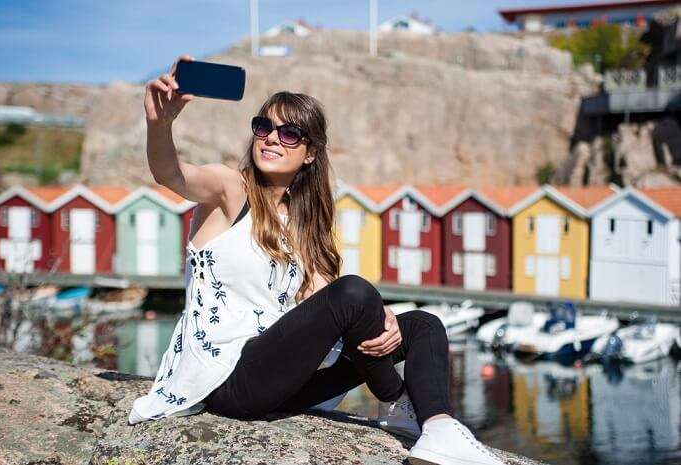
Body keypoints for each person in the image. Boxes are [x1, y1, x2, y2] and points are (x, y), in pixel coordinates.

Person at [128, 53, 506, 465]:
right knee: (356, 291)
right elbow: (171, 174)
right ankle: (397, 400)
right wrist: (160, 123)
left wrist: (386, 324)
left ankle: (436, 428)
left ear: (309, 153)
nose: (271, 138)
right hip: (228, 380)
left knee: (422, 325)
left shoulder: (305, 227)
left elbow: (332, 309)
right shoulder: (229, 190)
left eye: (289, 133)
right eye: (263, 126)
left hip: (282, 379)